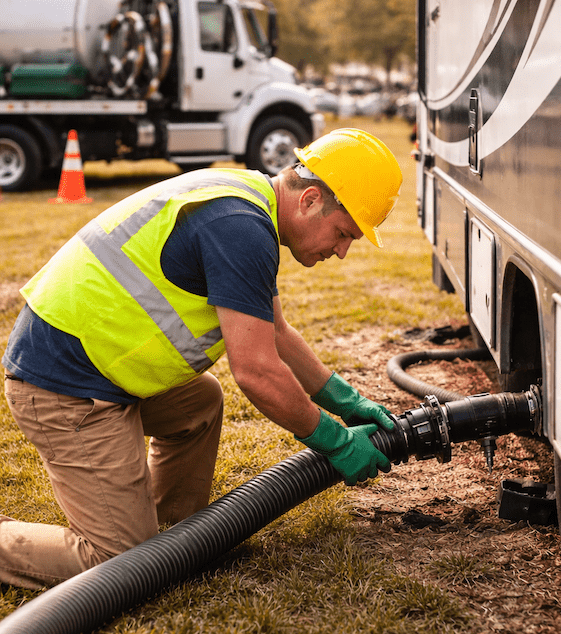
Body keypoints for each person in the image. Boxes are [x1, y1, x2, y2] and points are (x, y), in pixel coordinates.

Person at [1, 128, 402, 589]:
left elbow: (277, 333)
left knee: (200, 401)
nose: (342, 251)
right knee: (118, 562)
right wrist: (335, 441)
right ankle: (140, 552)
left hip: (94, 367)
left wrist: (346, 401)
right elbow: (256, 372)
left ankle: (176, 538)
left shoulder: (248, 204)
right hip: (62, 385)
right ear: (310, 200)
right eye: (343, 233)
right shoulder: (240, 227)